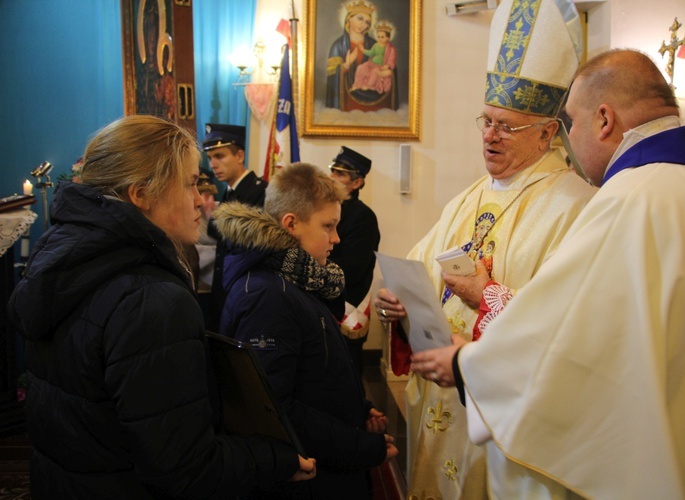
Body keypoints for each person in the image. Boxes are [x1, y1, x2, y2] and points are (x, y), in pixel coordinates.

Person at [410, 49, 685, 498]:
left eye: (569, 124)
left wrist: (468, 364)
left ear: (604, 120)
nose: (568, 143)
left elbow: (576, 341)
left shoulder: (630, 197)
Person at [6, 115, 315, 497]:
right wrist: (277, 459)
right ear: (142, 194)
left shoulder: (62, 259)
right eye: (189, 185)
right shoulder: (152, 301)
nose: (200, 202)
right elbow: (183, 466)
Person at [374, 0, 597, 497]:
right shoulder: (470, 196)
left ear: (547, 132)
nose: (491, 137)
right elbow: (420, 269)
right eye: (487, 121)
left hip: (500, 414)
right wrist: (398, 303)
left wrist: (488, 296)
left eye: (508, 126)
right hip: (443, 395)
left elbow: (574, 329)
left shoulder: (578, 209)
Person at [213, 162, 397, 499]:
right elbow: (277, 410)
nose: (336, 238)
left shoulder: (295, 277)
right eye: (328, 226)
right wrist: (361, 446)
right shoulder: (268, 296)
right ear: (291, 224)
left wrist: (358, 408)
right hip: (311, 479)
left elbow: (314, 369)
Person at [202, 122, 267, 331]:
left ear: (239, 156)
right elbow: (218, 236)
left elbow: (247, 245)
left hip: (246, 290)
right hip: (226, 287)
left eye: (219, 156)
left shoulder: (259, 192)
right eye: (210, 158)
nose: (213, 165)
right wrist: (210, 215)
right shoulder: (230, 192)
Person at [327, 146, 381, 381]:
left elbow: (353, 268)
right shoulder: (327, 209)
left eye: (340, 174)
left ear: (357, 183)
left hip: (346, 303)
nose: (332, 178)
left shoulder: (363, 217)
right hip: (325, 302)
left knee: (348, 375)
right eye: (332, 171)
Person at [351, 21, 396, 95]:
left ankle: (368, 86)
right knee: (361, 67)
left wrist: (387, 65)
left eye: (382, 37)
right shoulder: (376, 45)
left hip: (380, 66)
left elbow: (391, 59)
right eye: (378, 37)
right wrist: (363, 50)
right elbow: (371, 53)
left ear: (388, 38)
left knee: (375, 71)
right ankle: (357, 84)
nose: (380, 39)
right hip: (371, 63)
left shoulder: (391, 49)